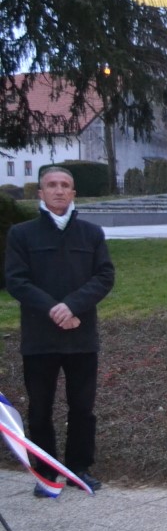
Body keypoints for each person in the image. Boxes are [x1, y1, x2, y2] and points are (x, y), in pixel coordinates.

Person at [5, 167, 115, 497]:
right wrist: (54, 309)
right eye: (51, 185)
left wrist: (73, 306)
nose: (58, 190)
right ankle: (47, 473)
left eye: (65, 185)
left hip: (81, 336)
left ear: (73, 193)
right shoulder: (22, 234)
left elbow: (104, 276)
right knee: (40, 410)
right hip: (40, 339)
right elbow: (16, 280)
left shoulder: (91, 233)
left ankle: (79, 469)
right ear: (41, 192)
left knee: (82, 407)